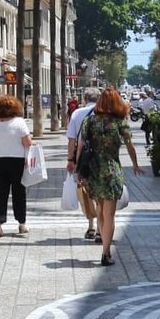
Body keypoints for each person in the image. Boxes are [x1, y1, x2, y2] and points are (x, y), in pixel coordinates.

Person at [78, 88, 144, 266]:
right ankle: (106, 253)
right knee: (110, 215)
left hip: (93, 170)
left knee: (100, 209)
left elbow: (81, 146)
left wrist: (79, 170)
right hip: (112, 170)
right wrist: (136, 164)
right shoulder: (120, 122)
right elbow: (130, 146)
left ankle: (102, 238)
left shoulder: (89, 121)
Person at [0, 94, 33, 238]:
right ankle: (22, 223)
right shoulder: (19, 122)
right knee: (19, 192)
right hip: (17, 161)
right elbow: (27, 142)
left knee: (0, 192)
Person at [65, 87, 101, 241]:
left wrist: (71, 159)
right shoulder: (105, 113)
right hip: (102, 159)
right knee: (101, 194)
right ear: (98, 99)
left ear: (84, 99)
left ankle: (91, 226)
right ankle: (101, 229)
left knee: (86, 192)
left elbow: (72, 140)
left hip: (84, 159)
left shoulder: (77, 114)